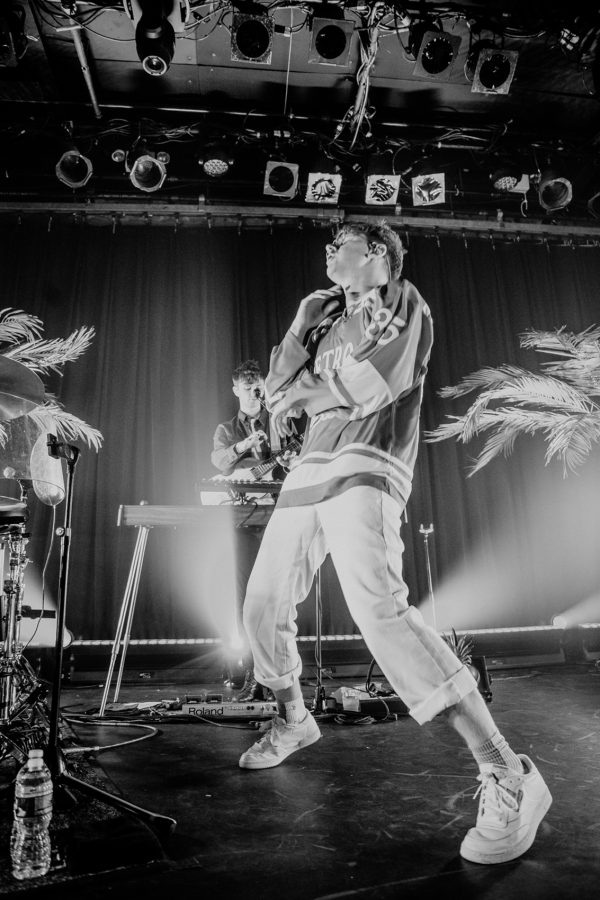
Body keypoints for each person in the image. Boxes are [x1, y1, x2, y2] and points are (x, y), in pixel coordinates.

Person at [238, 221, 552, 866]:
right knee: (261, 607)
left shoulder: (404, 300)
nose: (329, 250)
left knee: (380, 610)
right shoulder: (320, 314)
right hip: (308, 470)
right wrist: (300, 345)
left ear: (377, 252)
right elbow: (275, 391)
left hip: (368, 462)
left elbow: (372, 387)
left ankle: (507, 770)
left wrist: (305, 395)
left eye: (343, 243)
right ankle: (294, 719)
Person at [210, 359, 275, 702]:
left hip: (276, 518)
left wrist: (291, 460)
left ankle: (278, 674)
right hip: (242, 524)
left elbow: (297, 458)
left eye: (258, 386)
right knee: (245, 600)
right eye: (247, 387)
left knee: (276, 597)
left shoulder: (279, 423)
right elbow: (219, 461)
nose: (254, 392)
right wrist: (245, 444)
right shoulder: (227, 429)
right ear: (236, 390)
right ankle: (252, 673)